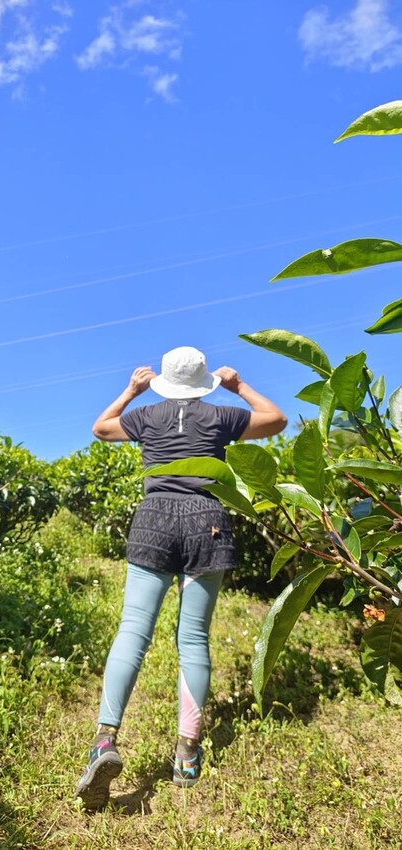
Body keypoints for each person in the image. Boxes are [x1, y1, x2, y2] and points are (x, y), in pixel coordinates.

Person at [75, 345, 287, 810]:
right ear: (205, 381)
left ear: (163, 381)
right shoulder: (220, 416)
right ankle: (186, 752)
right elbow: (275, 420)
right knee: (192, 638)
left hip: (153, 519)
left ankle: (105, 740)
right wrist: (240, 387)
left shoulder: (147, 415)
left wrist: (130, 390)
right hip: (207, 522)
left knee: (133, 629)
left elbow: (100, 428)